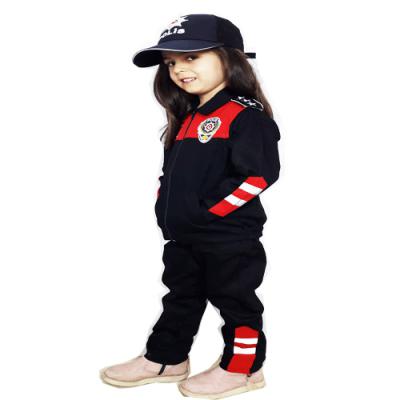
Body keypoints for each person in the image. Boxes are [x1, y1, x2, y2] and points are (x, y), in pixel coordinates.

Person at [99, 13, 281, 399]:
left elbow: (257, 177)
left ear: (230, 58)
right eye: (170, 62)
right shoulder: (188, 118)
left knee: (236, 302)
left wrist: (208, 213)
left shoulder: (245, 116)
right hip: (183, 236)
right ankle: (166, 357)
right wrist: (167, 207)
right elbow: (172, 176)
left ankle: (244, 368)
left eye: (192, 57)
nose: (178, 69)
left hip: (228, 239)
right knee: (180, 296)